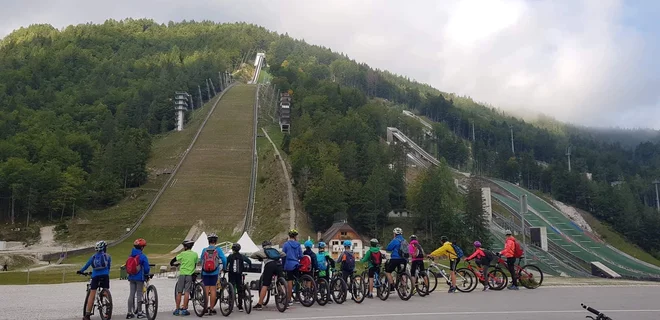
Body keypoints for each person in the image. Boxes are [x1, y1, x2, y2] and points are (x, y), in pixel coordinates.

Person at [78, 240, 111, 320]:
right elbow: (109, 266)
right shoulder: (107, 256)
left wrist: (81, 271)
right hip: (105, 275)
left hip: (95, 276)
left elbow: (87, 265)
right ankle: (107, 309)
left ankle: (87, 315)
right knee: (105, 290)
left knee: (92, 294)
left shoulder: (93, 257)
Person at [250, 240, 286, 310]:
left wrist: (261, 257)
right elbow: (284, 254)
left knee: (265, 285)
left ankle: (259, 304)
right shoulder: (274, 250)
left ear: (263, 246)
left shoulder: (262, 251)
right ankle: (285, 299)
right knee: (281, 282)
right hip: (278, 265)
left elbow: (252, 255)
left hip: (269, 265)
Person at [200, 233, 227, 315]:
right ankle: (211, 308)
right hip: (214, 272)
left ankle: (205, 308)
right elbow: (224, 259)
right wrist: (224, 268)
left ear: (208, 241)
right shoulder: (218, 249)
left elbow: (201, 260)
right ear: (216, 241)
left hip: (205, 272)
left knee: (206, 290)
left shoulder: (204, 250)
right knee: (213, 290)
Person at [171, 240, 198, 316]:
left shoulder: (182, 254)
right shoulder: (195, 254)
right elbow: (195, 264)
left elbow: (172, 261)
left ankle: (177, 309)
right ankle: (184, 309)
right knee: (187, 292)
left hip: (182, 274)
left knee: (179, 292)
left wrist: (175, 264)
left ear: (185, 247)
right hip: (189, 275)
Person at [126, 238, 151, 319]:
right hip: (139, 278)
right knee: (139, 294)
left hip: (131, 277)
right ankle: (139, 312)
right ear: (142, 247)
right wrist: (147, 274)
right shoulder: (142, 256)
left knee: (131, 294)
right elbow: (146, 268)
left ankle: (129, 312)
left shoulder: (130, 255)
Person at [226, 243, 252, 312]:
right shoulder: (242, 256)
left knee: (231, 289)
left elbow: (225, 263)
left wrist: (225, 269)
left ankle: (230, 306)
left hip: (231, 274)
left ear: (232, 249)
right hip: (239, 274)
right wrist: (248, 268)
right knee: (239, 289)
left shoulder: (230, 256)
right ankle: (240, 306)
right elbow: (249, 261)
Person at [282, 229, 302, 305]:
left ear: (289, 236)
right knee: (297, 280)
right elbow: (301, 256)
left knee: (289, 281)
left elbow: (283, 255)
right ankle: (297, 297)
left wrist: (283, 266)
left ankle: (289, 298)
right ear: (295, 236)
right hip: (296, 264)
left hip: (289, 265)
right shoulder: (298, 244)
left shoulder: (286, 244)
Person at [385, 227, 408, 291]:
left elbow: (388, 248)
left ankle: (392, 286)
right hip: (404, 259)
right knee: (402, 272)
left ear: (395, 234)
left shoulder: (395, 240)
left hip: (395, 259)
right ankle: (404, 287)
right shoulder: (405, 241)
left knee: (388, 271)